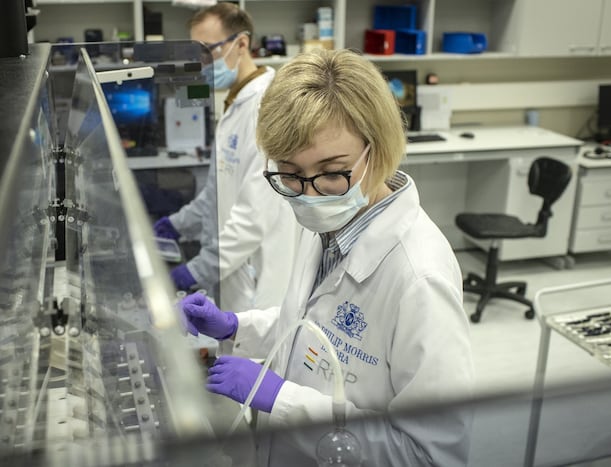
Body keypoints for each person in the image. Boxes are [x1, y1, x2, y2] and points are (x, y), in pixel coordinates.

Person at [180, 49, 475, 466]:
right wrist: (236, 326)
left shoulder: (420, 278)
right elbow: (314, 326)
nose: (309, 195)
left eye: (332, 172)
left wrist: (282, 401)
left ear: (378, 149)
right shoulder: (330, 222)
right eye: (289, 174)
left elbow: (429, 455)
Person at [154, 3, 298, 312]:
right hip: (233, 270)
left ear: (241, 43)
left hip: (256, 274)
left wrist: (197, 270)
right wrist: (176, 225)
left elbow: (253, 217)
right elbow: (217, 192)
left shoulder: (265, 108)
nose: (201, 63)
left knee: (251, 339)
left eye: (208, 51)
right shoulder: (235, 102)